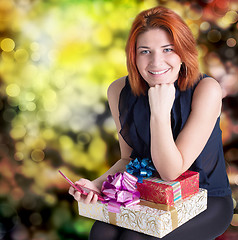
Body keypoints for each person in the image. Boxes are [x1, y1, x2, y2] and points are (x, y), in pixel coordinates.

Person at [69, 6, 233, 240]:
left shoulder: (206, 90)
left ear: (183, 52)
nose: (156, 62)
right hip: (151, 194)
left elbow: (170, 172)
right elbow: (128, 160)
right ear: (133, 56)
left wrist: (159, 110)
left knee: (135, 238)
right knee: (101, 232)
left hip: (207, 199)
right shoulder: (119, 91)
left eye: (167, 49)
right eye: (145, 51)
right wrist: (96, 186)